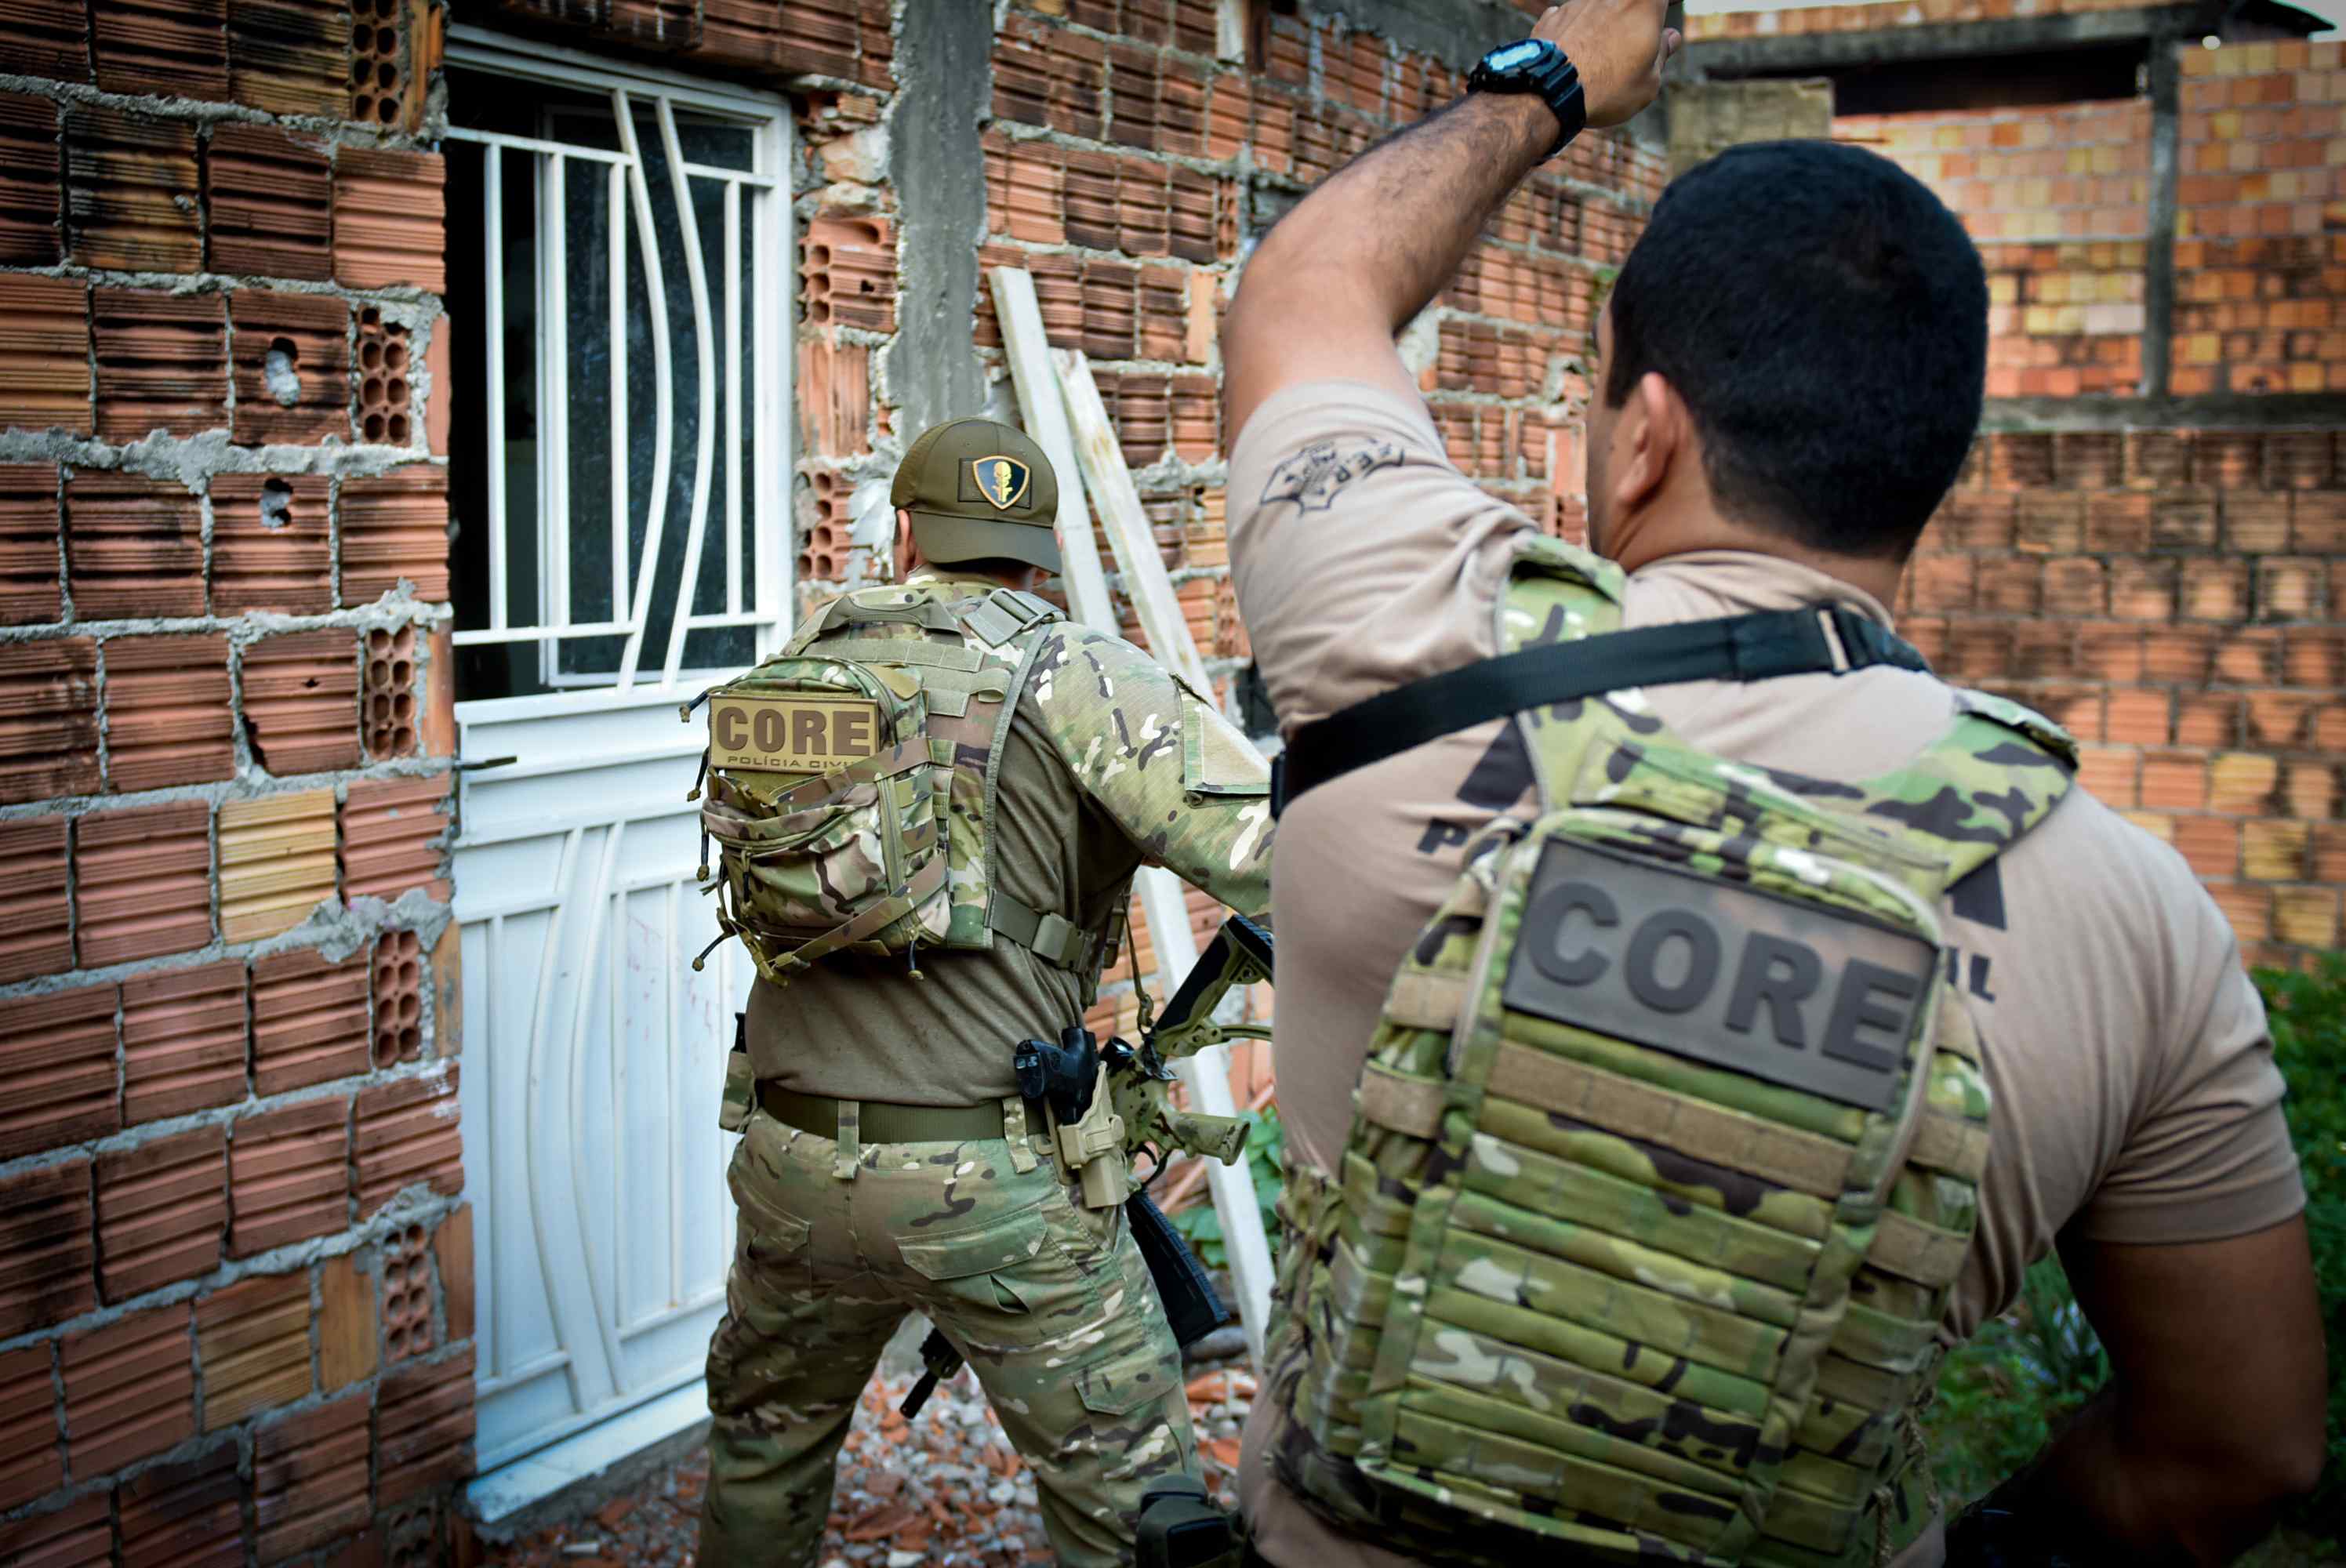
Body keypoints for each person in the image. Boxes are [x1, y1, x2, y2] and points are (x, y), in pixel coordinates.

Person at [1217, 2, 2326, 1564]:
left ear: (1642, 438)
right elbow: (2241, 1443)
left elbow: (1308, 283)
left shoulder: (1400, 633)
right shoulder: (2137, 918)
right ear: (1924, 477)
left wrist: (1551, 84)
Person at [695, 417, 1276, 1566]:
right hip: (996, 1190)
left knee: (763, 1454)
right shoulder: (1075, 673)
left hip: (791, 1165)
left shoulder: (795, 666)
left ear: (902, 534)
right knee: (1136, 1507)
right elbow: (1282, 854)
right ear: (1037, 555)